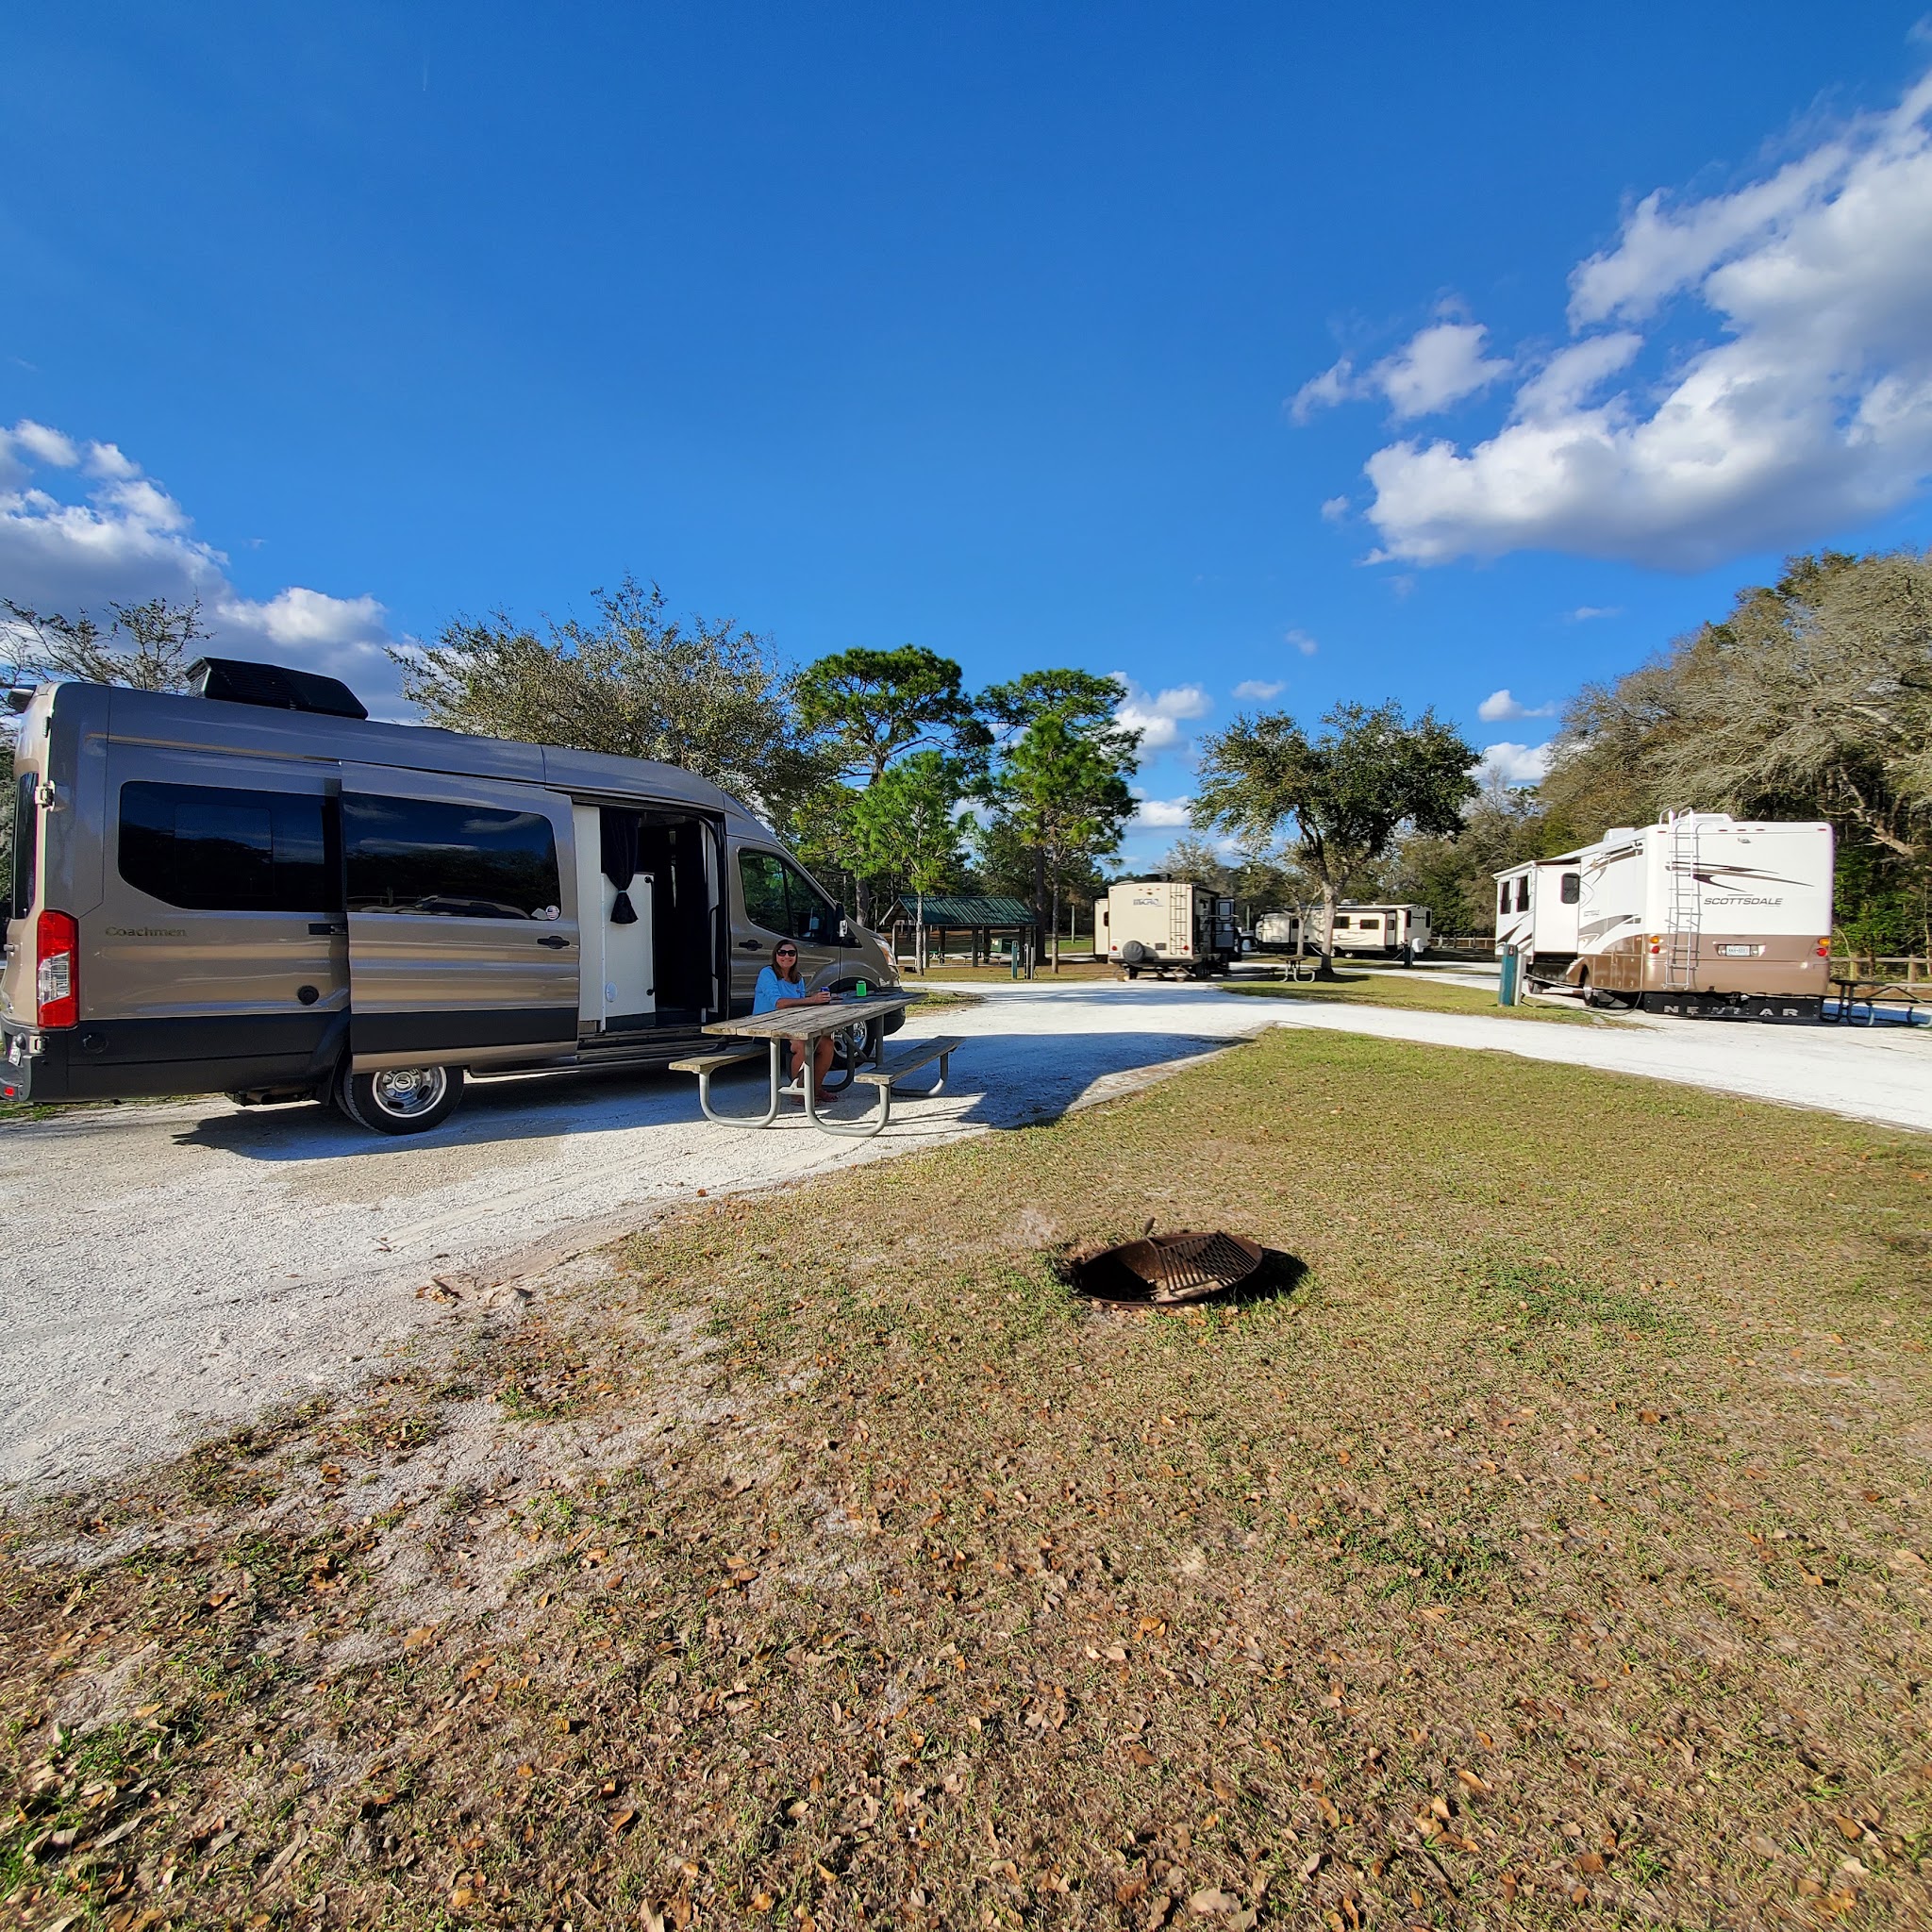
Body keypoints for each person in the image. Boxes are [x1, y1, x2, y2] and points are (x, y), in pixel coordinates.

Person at [753, 940, 836, 1099]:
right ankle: (798, 1093)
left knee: (826, 1043)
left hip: (792, 1026)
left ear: (796, 957)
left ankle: (815, 1089)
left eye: (791, 953)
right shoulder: (767, 973)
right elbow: (779, 1003)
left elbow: (800, 1003)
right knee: (802, 1044)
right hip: (766, 1028)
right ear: (775, 955)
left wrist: (822, 999)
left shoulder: (797, 978)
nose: (786, 956)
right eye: (782, 952)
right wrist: (812, 1000)